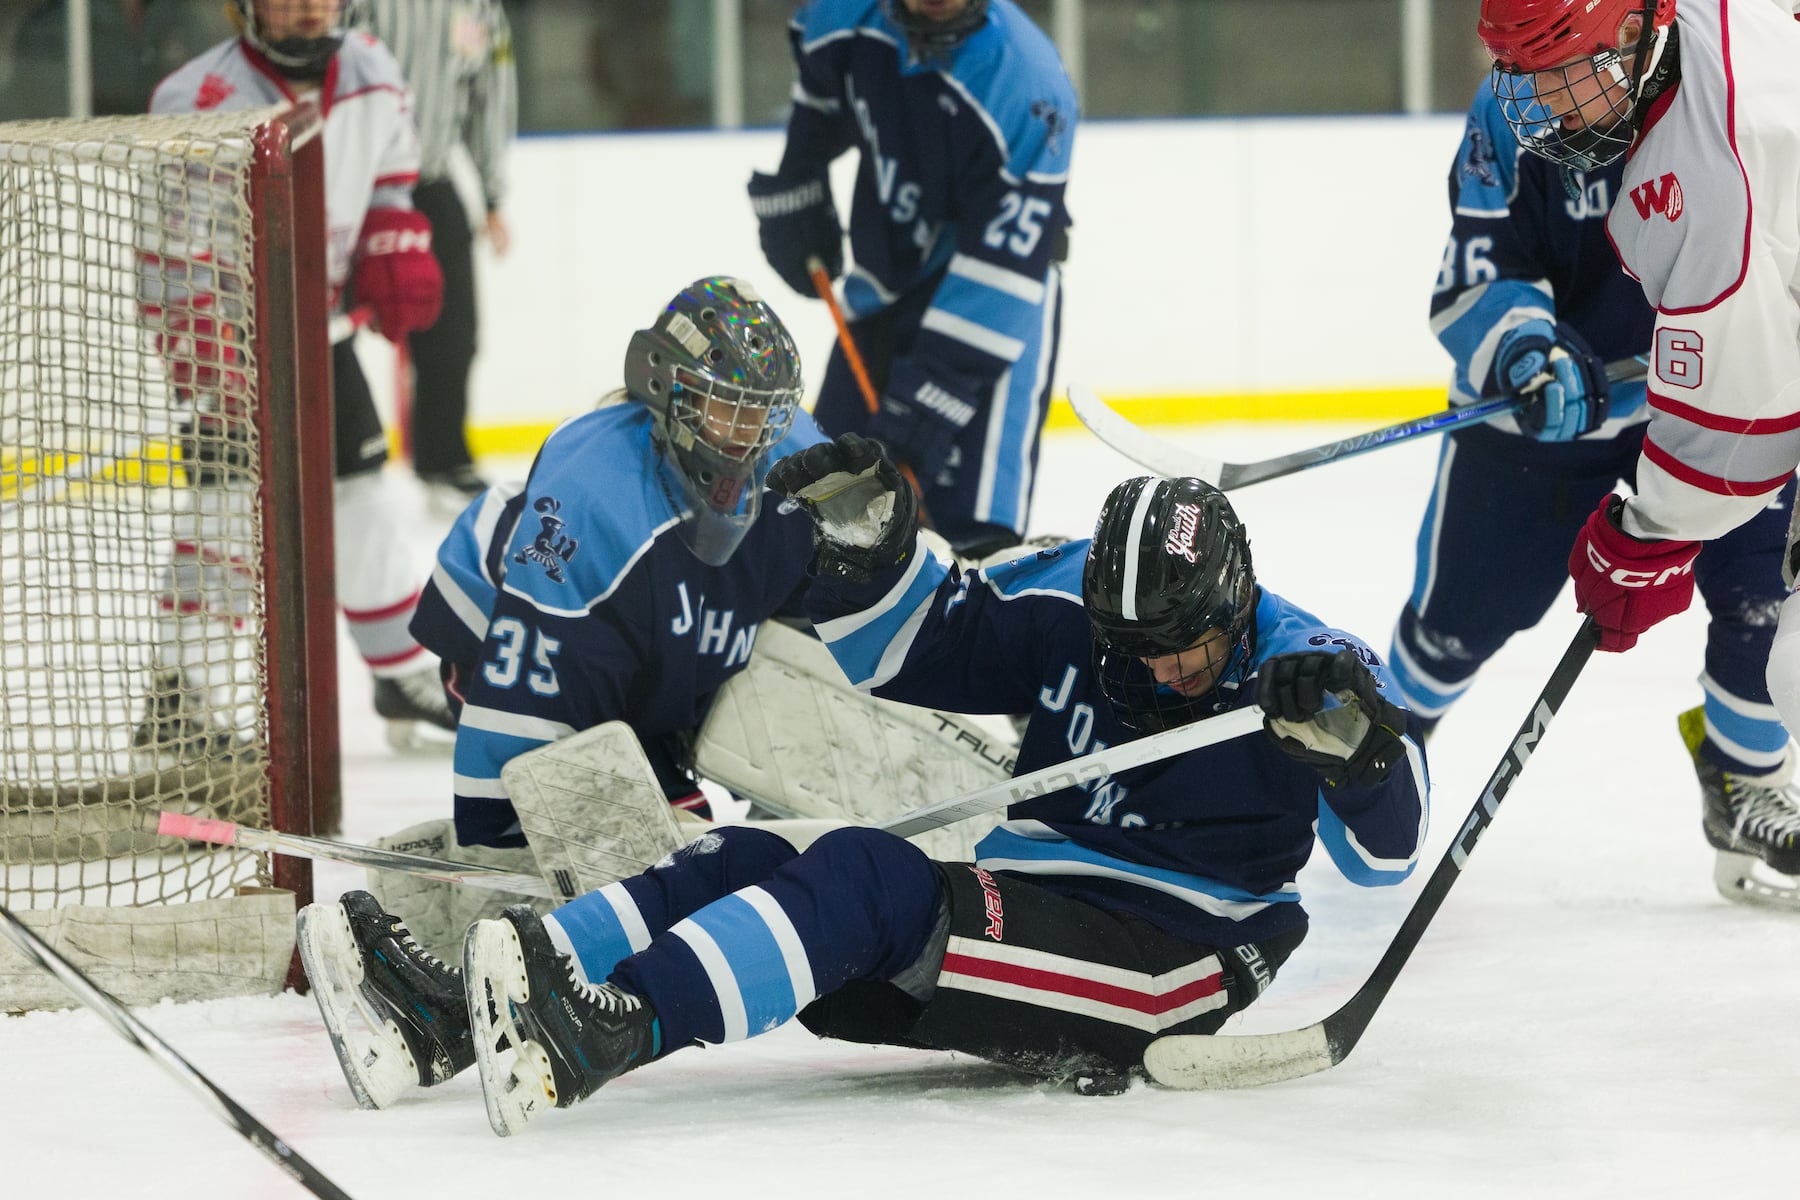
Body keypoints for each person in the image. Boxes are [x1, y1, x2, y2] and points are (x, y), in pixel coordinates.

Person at [300, 458, 1429, 1127]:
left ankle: (598, 1036)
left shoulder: (1307, 665)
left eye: (1190, 646)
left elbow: (1390, 853)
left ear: (1237, 604)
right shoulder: (1072, 614)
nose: (1165, 669)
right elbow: (924, 646)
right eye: (1133, 648)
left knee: (868, 880)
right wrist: (874, 554)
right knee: (750, 853)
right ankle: (448, 1016)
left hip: (1174, 955)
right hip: (1035, 895)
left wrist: (1357, 745)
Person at [1389, 67, 1798, 902]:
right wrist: (1523, 350)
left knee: (1762, 593)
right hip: (1543, 423)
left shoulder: (1731, 78)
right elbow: (1478, 269)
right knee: (1458, 624)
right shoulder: (1514, 105)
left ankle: (1744, 777)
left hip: (1708, 404)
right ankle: (1383, 748)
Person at [407, 276, 826, 849]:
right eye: (727, 409)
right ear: (663, 381)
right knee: (637, 849)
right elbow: (528, 710)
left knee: (689, 845)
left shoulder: (796, 463)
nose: (748, 437)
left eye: (763, 415)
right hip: (500, 627)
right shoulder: (597, 502)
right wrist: (509, 845)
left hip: (646, 666)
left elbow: (827, 635)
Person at [139, 0, 456, 751]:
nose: (311, 10)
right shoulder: (197, 97)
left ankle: (397, 669)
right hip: (235, 336)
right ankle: (177, 696)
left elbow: (392, 177)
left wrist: (392, 238)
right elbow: (169, 240)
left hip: (325, 330)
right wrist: (195, 334)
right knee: (224, 513)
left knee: (364, 495)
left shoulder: (375, 69)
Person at [748, 0, 1076, 559]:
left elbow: (1002, 269)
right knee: (813, 512)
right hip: (884, 286)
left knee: (967, 541)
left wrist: (921, 411)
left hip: (994, 313)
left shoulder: (1029, 85)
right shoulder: (841, 18)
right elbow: (823, 99)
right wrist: (798, 180)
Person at [351, 0, 517, 510]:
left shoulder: (477, 7)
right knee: (325, 333)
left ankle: (443, 459)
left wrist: (491, 195)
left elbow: (491, 93)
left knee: (454, 333)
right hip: (349, 184)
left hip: (429, 183)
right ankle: (327, 460)